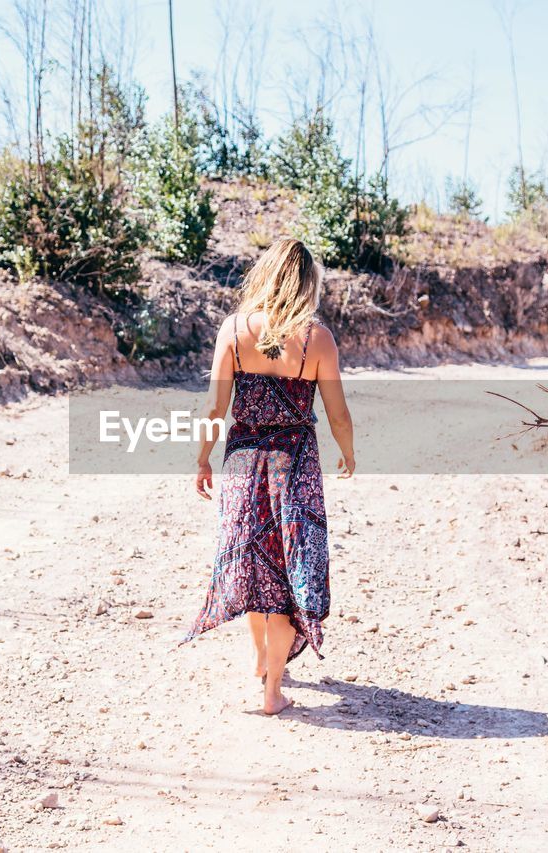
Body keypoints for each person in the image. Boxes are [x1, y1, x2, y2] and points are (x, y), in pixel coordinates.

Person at [181, 237, 355, 715]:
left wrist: (202, 458)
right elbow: (338, 413)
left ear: (264, 275)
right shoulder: (317, 338)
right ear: (308, 284)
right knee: (287, 571)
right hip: (294, 464)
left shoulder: (235, 330)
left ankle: (261, 656)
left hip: (242, 462)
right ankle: (273, 689)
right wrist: (348, 451)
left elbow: (216, 407)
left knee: (253, 562)